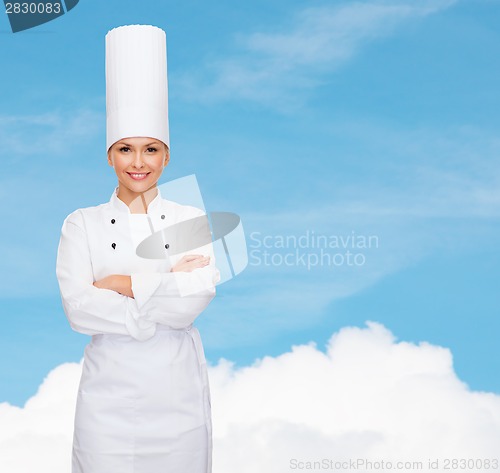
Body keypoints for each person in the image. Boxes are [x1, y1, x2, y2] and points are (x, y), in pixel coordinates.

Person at [56, 25, 219, 473]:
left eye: (151, 149)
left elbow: (198, 295)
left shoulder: (190, 217)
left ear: (167, 156)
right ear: (109, 155)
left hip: (177, 400)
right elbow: (78, 308)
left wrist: (119, 284)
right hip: (107, 402)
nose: (138, 162)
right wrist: (162, 288)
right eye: (125, 149)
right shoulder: (81, 222)